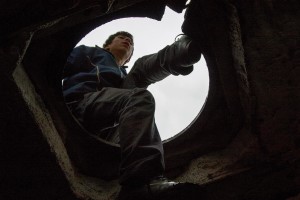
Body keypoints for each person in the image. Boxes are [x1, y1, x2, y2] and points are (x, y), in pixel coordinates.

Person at [62, 31, 202, 199]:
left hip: (107, 131)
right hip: (81, 105)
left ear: (128, 58)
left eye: (131, 42)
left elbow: (137, 76)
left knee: (139, 70)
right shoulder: (90, 53)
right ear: (107, 45)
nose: (127, 40)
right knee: (138, 98)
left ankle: (177, 55)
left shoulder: (125, 76)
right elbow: (56, 66)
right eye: (121, 38)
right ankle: (141, 182)